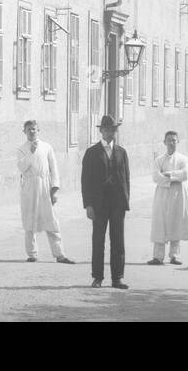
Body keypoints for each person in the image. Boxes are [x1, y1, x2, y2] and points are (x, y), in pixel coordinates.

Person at [81, 114, 131, 289]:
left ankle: (117, 278)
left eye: (113, 129)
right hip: (98, 204)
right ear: (101, 131)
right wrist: (88, 205)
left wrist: (126, 201)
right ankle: (97, 277)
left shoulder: (121, 152)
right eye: (107, 129)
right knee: (98, 240)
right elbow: (85, 181)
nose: (110, 132)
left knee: (118, 240)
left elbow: (126, 179)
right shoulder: (92, 153)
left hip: (117, 203)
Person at [16, 120, 74, 264]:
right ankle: (32, 254)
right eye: (29, 129)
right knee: (29, 221)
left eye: (34, 129)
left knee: (52, 221)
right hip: (30, 187)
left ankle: (60, 254)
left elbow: (54, 168)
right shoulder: (22, 149)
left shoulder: (47, 147)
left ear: (38, 130)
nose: (32, 132)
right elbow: (22, 167)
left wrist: (54, 190)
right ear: (24, 132)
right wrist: (31, 152)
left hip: (45, 186)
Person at [149, 130, 188, 265]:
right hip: (162, 193)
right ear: (164, 142)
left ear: (177, 142)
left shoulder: (183, 159)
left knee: (176, 222)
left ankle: (175, 255)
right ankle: (158, 256)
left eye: (174, 140)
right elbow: (156, 176)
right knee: (159, 222)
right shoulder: (159, 160)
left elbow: (185, 174)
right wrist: (170, 179)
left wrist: (169, 174)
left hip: (177, 193)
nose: (172, 143)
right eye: (169, 140)